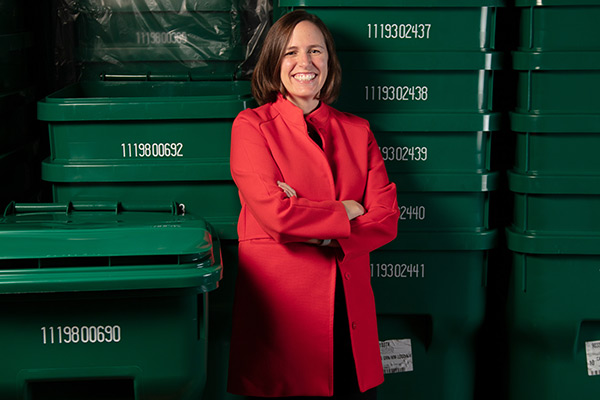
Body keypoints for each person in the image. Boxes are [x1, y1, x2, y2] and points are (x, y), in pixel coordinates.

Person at [227, 10, 400, 399]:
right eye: (290, 52)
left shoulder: (359, 131)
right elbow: (277, 216)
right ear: (274, 62)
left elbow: (387, 218)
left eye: (315, 51)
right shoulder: (251, 127)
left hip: (348, 309)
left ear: (329, 61)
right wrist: (347, 211)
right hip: (283, 314)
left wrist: (319, 230)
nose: (304, 63)